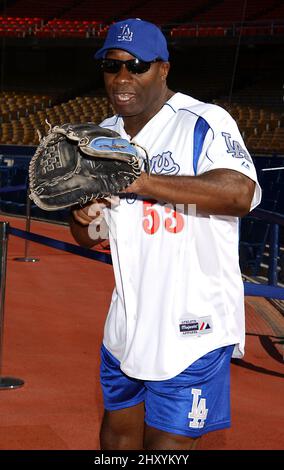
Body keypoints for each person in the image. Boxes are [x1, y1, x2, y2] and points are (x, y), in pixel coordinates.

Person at [69, 18, 261, 450]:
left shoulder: (203, 122)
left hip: (192, 324)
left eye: (136, 66)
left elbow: (241, 193)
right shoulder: (102, 136)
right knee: (116, 440)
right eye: (112, 66)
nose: (122, 78)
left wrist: (141, 180)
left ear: (163, 69)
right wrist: (84, 218)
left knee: (166, 450)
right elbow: (90, 234)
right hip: (126, 320)